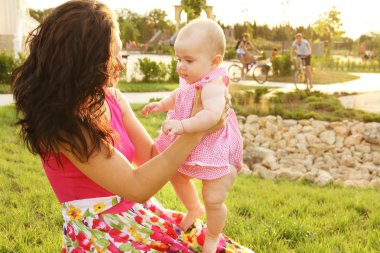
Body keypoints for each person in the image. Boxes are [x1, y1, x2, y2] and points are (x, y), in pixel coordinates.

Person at [11, 1, 253, 253]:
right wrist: (196, 131)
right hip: (102, 232)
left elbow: (151, 156)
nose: (121, 64)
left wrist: (201, 134)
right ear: (83, 62)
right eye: (111, 55)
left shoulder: (112, 98)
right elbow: (137, 187)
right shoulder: (63, 125)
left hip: (140, 214)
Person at [142, 19, 244, 253]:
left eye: (188, 60)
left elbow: (212, 116)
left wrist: (183, 125)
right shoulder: (193, 76)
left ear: (214, 62)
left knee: (214, 197)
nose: (181, 66)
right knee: (176, 175)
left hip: (215, 149)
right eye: (179, 59)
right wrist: (162, 104)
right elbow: (181, 94)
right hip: (195, 145)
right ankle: (193, 208)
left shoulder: (214, 84)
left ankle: (212, 236)